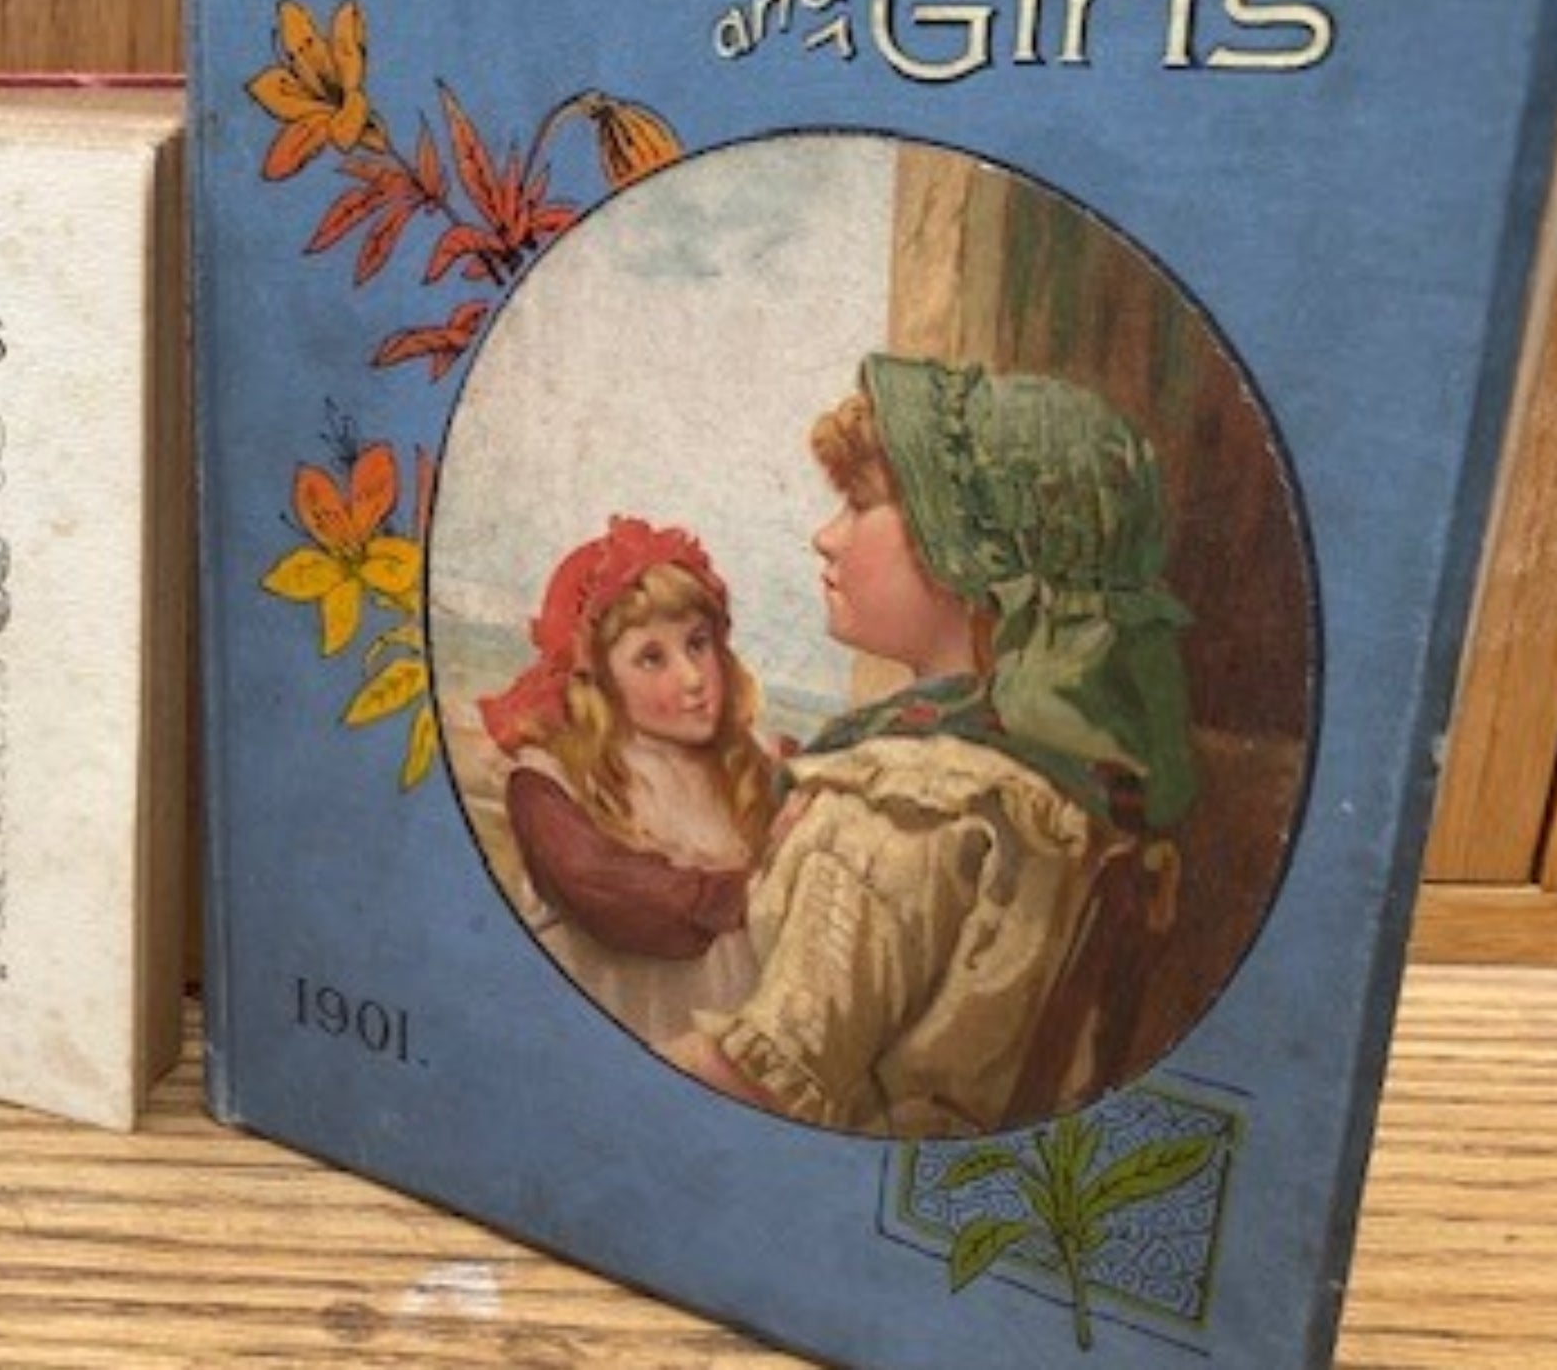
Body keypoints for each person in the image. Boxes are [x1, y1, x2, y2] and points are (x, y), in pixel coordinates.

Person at [671, 354, 1198, 1136]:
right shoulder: (1057, 775)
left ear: (968, 552)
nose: (825, 536)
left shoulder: (902, 811)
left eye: (857, 503)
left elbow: (759, 1084)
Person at [478, 518, 777, 1046]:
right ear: (598, 676)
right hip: (610, 1044)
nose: (691, 678)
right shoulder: (548, 780)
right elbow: (612, 895)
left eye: (698, 644)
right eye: (651, 657)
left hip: (720, 1049)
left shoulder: (749, 767)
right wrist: (756, 890)